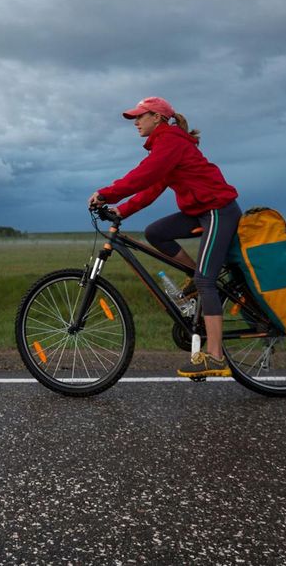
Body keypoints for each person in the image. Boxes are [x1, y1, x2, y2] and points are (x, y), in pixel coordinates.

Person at [88, 96, 241, 379]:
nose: (135, 122)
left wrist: (107, 193)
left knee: (207, 280)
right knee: (155, 233)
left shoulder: (170, 142)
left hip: (218, 210)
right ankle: (197, 277)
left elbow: (143, 177)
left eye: (140, 116)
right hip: (199, 211)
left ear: (157, 117)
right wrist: (121, 210)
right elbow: (152, 188)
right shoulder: (165, 145)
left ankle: (216, 357)